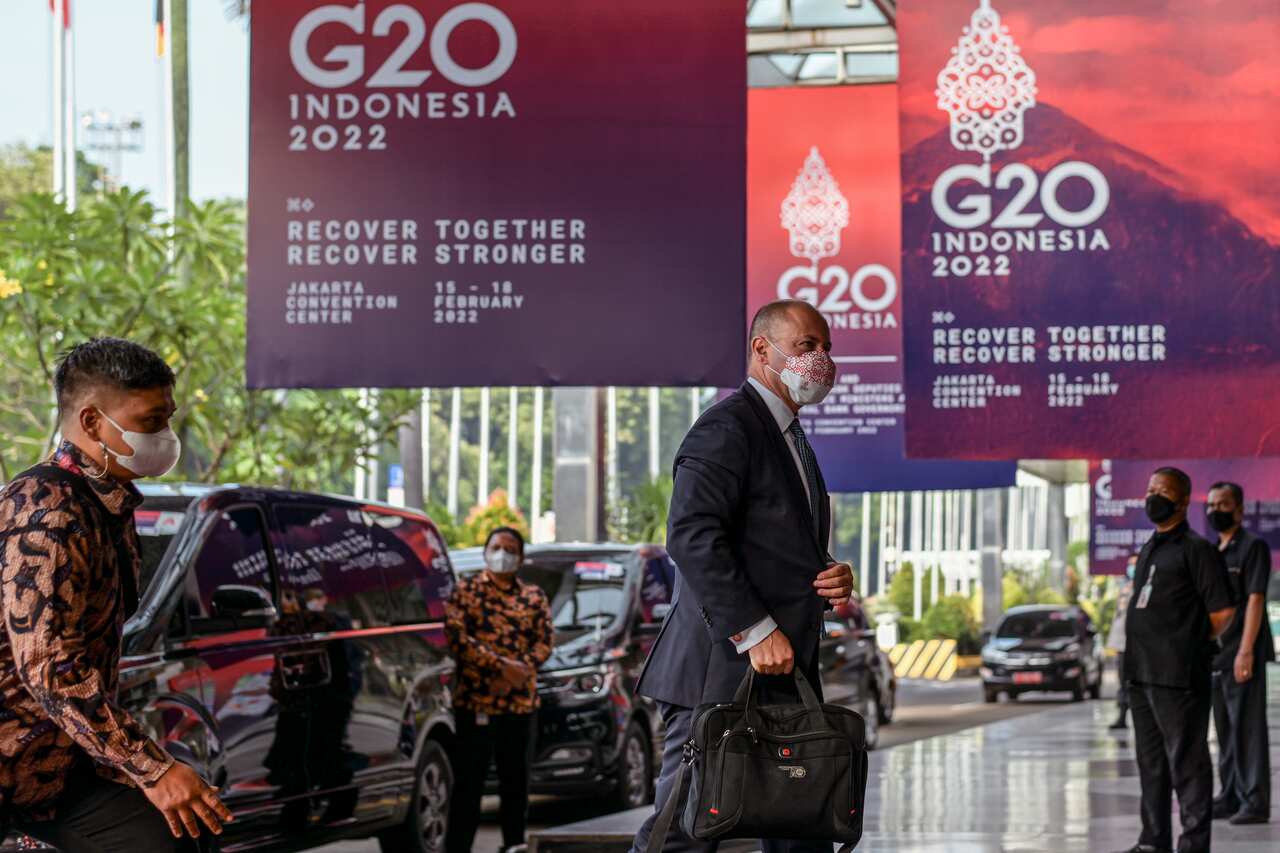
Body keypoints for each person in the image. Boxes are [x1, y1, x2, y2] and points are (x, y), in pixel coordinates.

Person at [630, 299, 855, 853]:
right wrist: (755, 629)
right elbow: (691, 536)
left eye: (826, 347)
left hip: (783, 672)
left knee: (801, 825)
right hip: (721, 672)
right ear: (763, 350)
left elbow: (766, 541)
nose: (822, 359)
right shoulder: (727, 428)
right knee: (685, 831)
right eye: (808, 346)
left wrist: (827, 574)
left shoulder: (791, 440)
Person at [0, 338, 234, 852]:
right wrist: (153, 769)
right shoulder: (50, 514)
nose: (165, 436)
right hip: (10, 767)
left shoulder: (105, 504)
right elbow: (51, 668)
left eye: (168, 418)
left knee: (185, 833)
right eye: (151, 422)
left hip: (58, 772)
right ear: (91, 422)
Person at [1114, 467, 1234, 853]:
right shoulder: (1151, 547)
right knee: (1151, 766)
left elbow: (1223, 612)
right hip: (1141, 674)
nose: (1153, 497)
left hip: (1178, 677)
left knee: (1188, 765)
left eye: (1162, 491)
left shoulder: (1197, 550)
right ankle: (1153, 841)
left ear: (1182, 501)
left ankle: (1193, 845)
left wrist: (1187, 645)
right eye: (1150, 489)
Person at [445, 526, 553, 853]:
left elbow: (545, 642)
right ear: (485, 551)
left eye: (509, 548)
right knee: (468, 786)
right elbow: (457, 638)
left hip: (520, 706)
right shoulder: (465, 591)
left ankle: (514, 847)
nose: (501, 553)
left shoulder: (533, 597)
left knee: (516, 787)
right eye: (496, 546)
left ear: (520, 558)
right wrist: (499, 666)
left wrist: (519, 669)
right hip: (476, 704)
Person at [1206, 481, 1272, 825]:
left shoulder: (1253, 547)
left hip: (1242, 653)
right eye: (1212, 503)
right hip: (1218, 656)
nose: (1216, 510)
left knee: (1247, 729)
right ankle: (1229, 795)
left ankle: (1255, 801)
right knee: (1225, 729)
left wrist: (1245, 651)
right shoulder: (1215, 551)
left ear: (1240, 509)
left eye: (1224, 504)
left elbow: (1255, 599)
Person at [1107, 555, 1137, 730]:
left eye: (1135, 565)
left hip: (1138, 643)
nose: (1131, 568)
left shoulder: (1144, 587)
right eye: (1130, 565)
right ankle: (1122, 716)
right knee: (1123, 681)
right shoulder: (1124, 587)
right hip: (1122, 642)